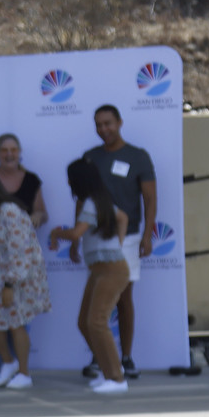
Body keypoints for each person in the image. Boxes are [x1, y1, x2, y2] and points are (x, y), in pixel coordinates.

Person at [83, 106, 156, 380]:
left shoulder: (137, 156)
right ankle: (100, 357)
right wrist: (76, 236)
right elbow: (81, 198)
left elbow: (150, 199)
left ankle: (125, 357)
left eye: (108, 124)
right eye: (98, 124)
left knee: (122, 298)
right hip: (95, 237)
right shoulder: (91, 157)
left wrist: (148, 235)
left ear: (119, 122)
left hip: (130, 236)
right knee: (96, 301)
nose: (104, 129)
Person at [50, 158, 130, 395]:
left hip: (111, 269)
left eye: (70, 177)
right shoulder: (99, 201)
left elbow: (76, 233)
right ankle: (109, 374)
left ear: (78, 180)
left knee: (96, 322)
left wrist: (56, 233)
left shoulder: (91, 204)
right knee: (85, 323)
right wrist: (119, 242)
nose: (67, 181)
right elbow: (123, 218)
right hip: (100, 269)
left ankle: (117, 379)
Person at [0, 170, 47, 390]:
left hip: (20, 275)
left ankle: (24, 373)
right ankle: (8, 362)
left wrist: (10, 285)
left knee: (16, 323)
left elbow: (21, 251)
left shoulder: (10, 212)